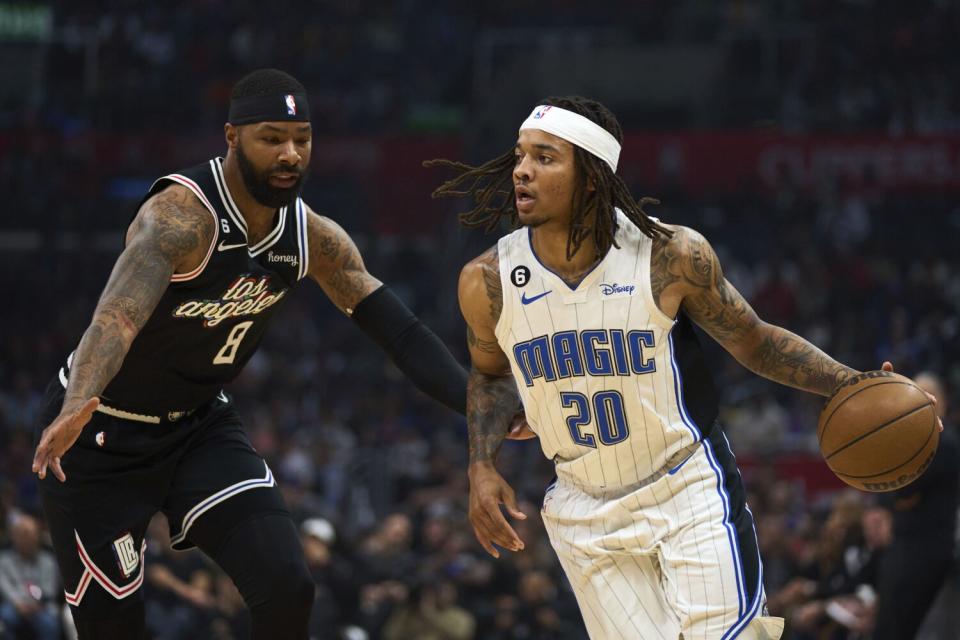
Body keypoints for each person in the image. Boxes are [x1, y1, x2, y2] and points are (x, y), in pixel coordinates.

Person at [30, 68, 521, 640]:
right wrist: (76, 401)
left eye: (302, 138)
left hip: (196, 428)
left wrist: (476, 401)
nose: (290, 153)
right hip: (98, 433)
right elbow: (115, 320)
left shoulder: (312, 236)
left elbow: (400, 333)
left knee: (288, 585)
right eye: (271, 138)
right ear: (233, 137)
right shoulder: (179, 218)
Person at [428, 96, 938, 639]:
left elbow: (754, 341)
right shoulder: (486, 281)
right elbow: (491, 376)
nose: (522, 170)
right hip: (583, 505)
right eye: (520, 156)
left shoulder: (667, 255)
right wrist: (481, 465)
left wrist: (850, 381)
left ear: (593, 177)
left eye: (545, 157)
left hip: (686, 484)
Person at [872, 371, 959, 640]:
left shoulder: (945, 443)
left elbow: (902, 490)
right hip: (904, 545)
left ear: (941, 402)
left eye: (925, 395)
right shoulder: (913, 441)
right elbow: (888, 491)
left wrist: (895, 494)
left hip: (927, 551)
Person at [0, 514, 61, 640]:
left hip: (41, 606)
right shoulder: (4, 560)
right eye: (22, 535)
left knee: (50, 623)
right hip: (14, 605)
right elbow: (5, 587)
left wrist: (34, 604)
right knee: (5, 618)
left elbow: (49, 590)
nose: (26, 539)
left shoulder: (48, 561)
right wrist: (19, 603)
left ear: (37, 537)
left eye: (29, 534)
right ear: (14, 537)